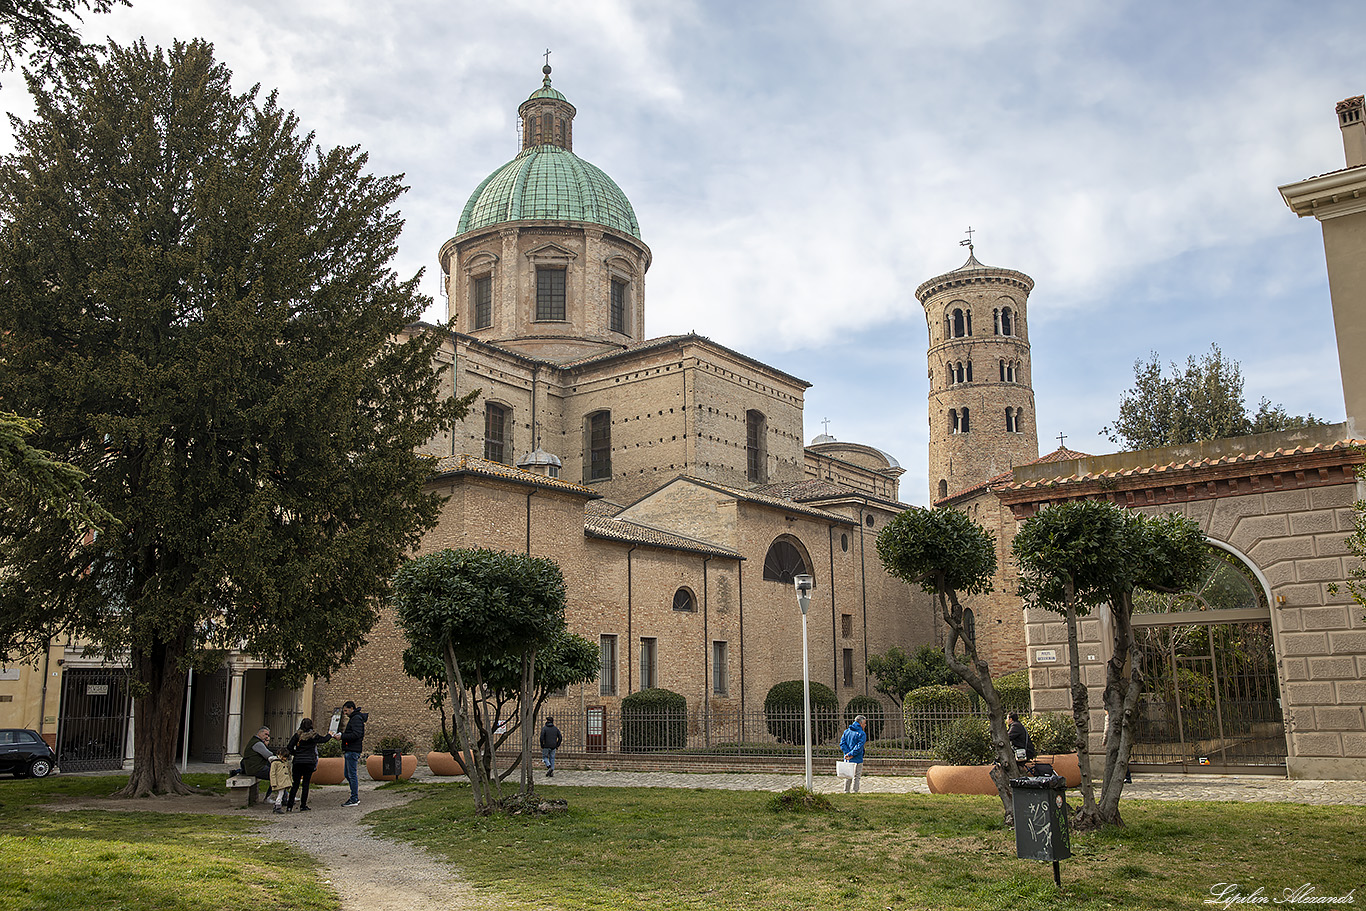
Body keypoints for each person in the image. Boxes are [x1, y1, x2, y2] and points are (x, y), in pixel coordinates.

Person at [286, 718, 331, 812]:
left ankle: (289, 806)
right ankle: (303, 805)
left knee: (295, 784)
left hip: (298, 762)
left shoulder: (297, 735)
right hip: (309, 762)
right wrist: (330, 735)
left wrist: (296, 754)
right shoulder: (313, 736)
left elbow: (289, 747)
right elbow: (324, 740)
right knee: (305, 784)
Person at [338, 700, 368, 807]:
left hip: (352, 750)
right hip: (350, 749)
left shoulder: (356, 719)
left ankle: (354, 798)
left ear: (351, 709)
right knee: (348, 774)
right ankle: (354, 796)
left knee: (352, 774)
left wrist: (342, 736)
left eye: (346, 711)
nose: (345, 713)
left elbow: (356, 734)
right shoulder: (354, 718)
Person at [236, 725, 274, 789]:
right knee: (276, 775)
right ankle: (277, 794)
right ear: (260, 733)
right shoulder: (258, 743)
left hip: (253, 768)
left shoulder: (254, 741)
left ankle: (282, 794)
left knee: (276, 774)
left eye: (268, 735)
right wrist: (266, 745)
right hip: (255, 769)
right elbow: (269, 755)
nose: (267, 737)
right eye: (266, 734)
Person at [838, 714, 867, 793]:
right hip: (857, 757)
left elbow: (842, 743)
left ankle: (846, 790)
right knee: (857, 776)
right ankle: (855, 790)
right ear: (860, 723)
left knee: (848, 775)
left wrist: (847, 753)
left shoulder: (847, 731)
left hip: (847, 757)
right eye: (864, 723)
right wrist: (852, 754)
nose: (865, 725)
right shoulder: (861, 733)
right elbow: (859, 746)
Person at [269, 747, 293, 813]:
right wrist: (273, 783)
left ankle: (277, 805)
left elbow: (289, 772)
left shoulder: (285, 762)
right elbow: (272, 774)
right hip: (279, 781)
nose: (285, 758)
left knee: (281, 793)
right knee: (280, 794)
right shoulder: (275, 763)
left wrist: (290, 780)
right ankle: (278, 805)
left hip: (283, 781)